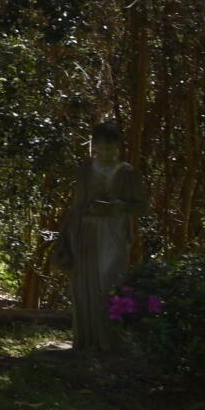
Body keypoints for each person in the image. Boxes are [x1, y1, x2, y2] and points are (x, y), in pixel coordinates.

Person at [57, 119, 147, 357]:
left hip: (115, 232)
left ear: (118, 147)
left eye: (111, 148)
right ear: (94, 146)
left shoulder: (128, 172)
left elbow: (141, 206)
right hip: (85, 232)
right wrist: (66, 233)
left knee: (111, 281)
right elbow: (77, 204)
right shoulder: (86, 169)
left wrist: (120, 205)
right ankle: (87, 339)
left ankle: (111, 339)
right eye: (101, 147)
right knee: (84, 284)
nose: (106, 152)